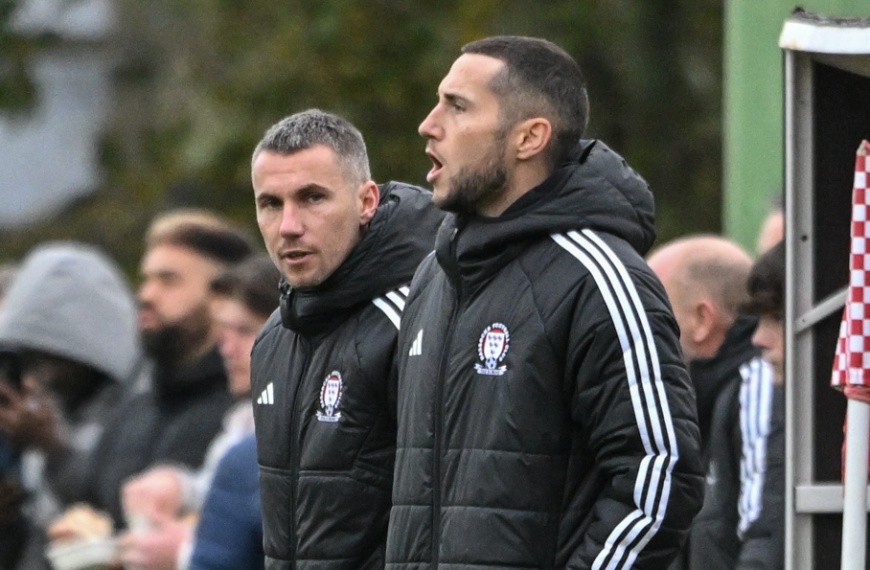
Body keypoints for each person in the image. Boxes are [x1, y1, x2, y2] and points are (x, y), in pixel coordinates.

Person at [386, 36, 704, 569]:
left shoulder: (599, 276)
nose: (429, 123)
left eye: (457, 106)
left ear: (529, 137)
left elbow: (661, 472)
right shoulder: (433, 278)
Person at [249, 109, 444, 568]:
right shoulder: (273, 339)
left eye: (312, 198)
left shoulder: (418, 320)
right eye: (271, 204)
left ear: (366, 201)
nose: (288, 226)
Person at [78, 208, 255, 528]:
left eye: (168, 280)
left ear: (223, 297)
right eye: (147, 279)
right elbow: (90, 509)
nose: (145, 295)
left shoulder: (247, 412)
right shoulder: (135, 405)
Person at [117, 253, 279, 570]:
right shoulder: (241, 420)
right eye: (222, 331)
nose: (226, 348)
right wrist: (178, 485)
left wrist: (182, 553)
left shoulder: (304, 426)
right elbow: (221, 498)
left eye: (244, 331)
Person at [0, 242, 141, 569]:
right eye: (30, 359)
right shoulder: (40, 418)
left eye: (51, 357)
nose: (39, 377)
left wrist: (53, 449)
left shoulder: (134, 412)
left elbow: (111, 512)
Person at [648, 235, 783, 570]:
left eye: (654, 315)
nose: (643, 332)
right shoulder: (703, 398)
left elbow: (767, 536)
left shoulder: (756, 384)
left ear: (702, 319)